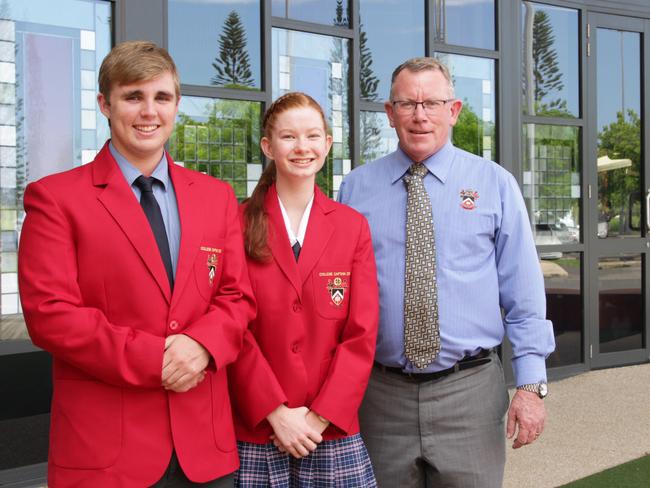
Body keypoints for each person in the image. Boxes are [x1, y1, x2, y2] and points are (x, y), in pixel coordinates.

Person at [18, 41, 255, 487]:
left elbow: (237, 297)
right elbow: (50, 315)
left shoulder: (216, 196)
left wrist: (202, 346)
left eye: (161, 97)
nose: (149, 112)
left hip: (204, 451)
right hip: (105, 455)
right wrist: (156, 359)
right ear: (105, 104)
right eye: (133, 96)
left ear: (177, 105)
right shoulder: (55, 198)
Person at [338, 57, 555, 487]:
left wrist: (530, 386)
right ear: (389, 112)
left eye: (432, 103)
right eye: (408, 104)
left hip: (469, 394)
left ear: (453, 111)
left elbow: (524, 294)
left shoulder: (494, 184)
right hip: (380, 398)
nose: (420, 115)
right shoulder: (355, 189)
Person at [227, 92, 379, 487]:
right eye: (288, 137)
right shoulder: (236, 222)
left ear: (327, 144)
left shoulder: (351, 227)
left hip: (329, 430)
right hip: (257, 429)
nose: (302, 148)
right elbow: (231, 326)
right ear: (268, 146)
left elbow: (361, 334)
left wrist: (318, 418)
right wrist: (275, 412)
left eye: (313, 136)